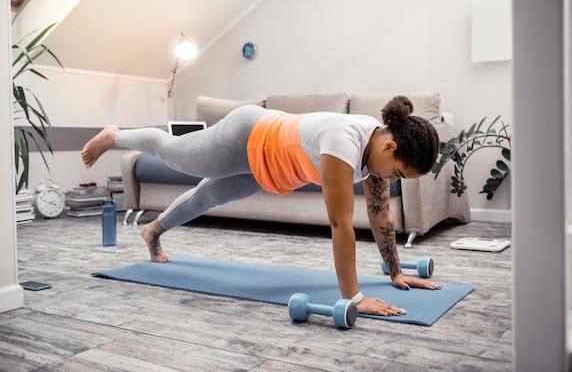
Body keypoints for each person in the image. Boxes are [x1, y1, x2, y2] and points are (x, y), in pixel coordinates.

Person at [81, 95, 441, 316]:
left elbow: (381, 214)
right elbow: (340, 225)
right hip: (248, 136)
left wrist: (395, 273)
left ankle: (152, 231)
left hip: (268, 169)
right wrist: (354, 297)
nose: (392, 180)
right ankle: (116, 135)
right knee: (177, 154)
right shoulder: (343, 143)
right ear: (390, 148)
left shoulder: (377, 148)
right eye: (397, 173)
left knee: (208, 196)